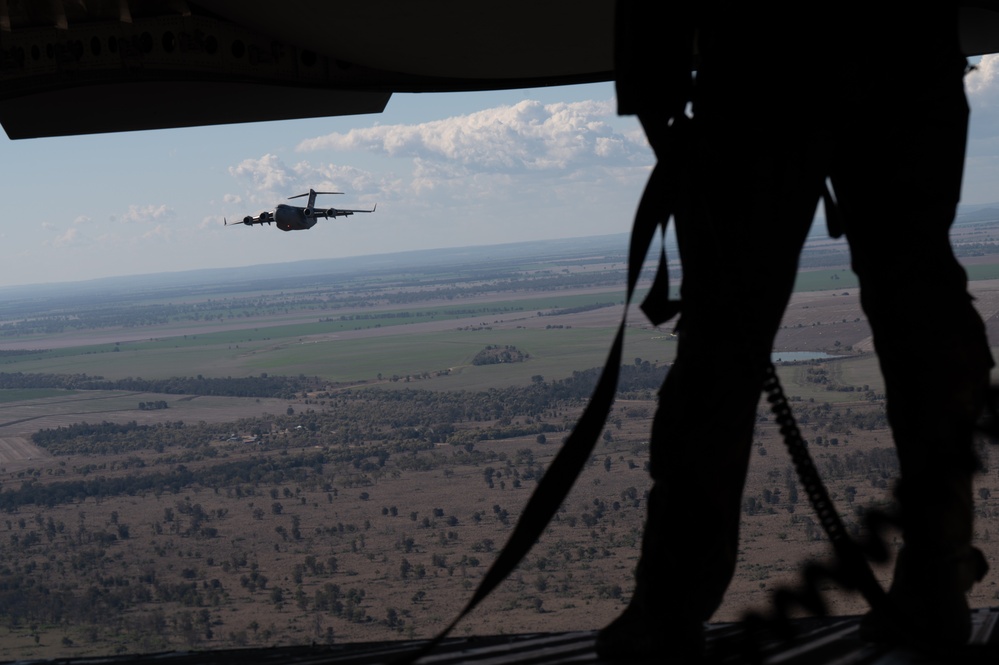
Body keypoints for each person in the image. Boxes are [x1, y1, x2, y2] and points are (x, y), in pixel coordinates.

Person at [598, 2, 995, 660]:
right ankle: (937, 572)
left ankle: (668, 605)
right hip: (899, 51)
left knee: (722, 344)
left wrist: (653, 90)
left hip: (763, 60)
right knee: (922, 318)